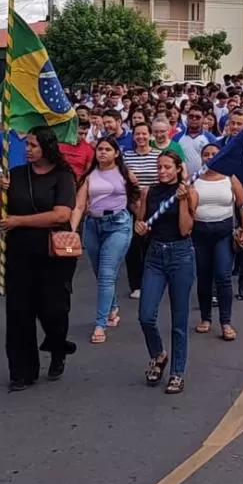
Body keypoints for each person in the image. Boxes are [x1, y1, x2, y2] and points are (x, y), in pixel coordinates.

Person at [0, 126, 78, 391]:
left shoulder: (62, 177)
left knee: (52, 309)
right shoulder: (15, 174)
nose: (27, 150)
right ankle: (21, 371)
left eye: (33, 145)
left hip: (53, 253)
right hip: (20, 253)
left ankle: (57, 345)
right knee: (19, 313)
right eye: (26, 145)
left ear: (47, 148)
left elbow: (62, 215)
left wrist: (20, 220)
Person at [134, 151, 198, 394]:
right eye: (159, 167)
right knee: (145, 315)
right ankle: (159, 354)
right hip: (155, 255)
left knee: (179, 320)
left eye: (167, 167)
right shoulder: (148, 192)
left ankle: (177, 373)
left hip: (180, 255)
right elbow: (142, 223)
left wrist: (182, 200)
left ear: (178, 169)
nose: (162, 171)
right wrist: (139, 226)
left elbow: (185, 229)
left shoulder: (190, 193)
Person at [72, 137, 139, 344]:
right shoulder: (89, 176)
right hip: (93, 225)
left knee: (106, 273)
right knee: (99, 272)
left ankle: (100, 324)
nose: (102, 153)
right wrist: (72, 230)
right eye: (99, 149)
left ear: (116, 153)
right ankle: (112, 308)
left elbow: (136, 200)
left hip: (119, 224)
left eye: (107, 149)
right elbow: (80, 206)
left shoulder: (125, 174)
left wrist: (143, 221)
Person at [193, 143, 243, 341]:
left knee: (223, 276)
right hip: (199, 235)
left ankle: (226, 322)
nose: (210, 157)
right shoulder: (193, 180)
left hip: (223, 235)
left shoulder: (230, 178)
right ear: (201, 158)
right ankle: (205, 318)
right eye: (206, 154)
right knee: (203, 277)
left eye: (214, 154)